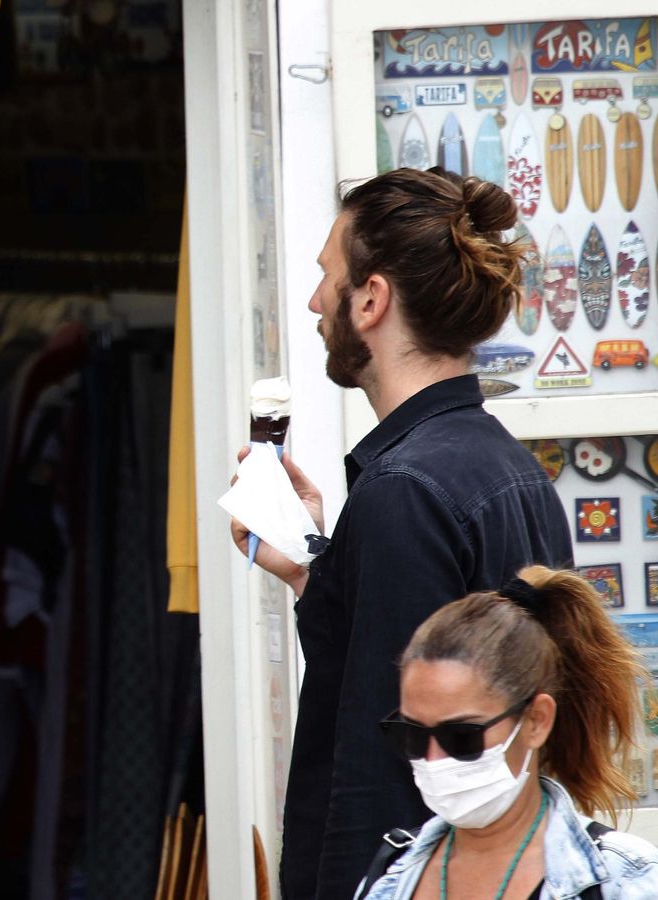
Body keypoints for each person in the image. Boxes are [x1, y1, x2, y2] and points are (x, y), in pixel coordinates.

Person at [229, 168, 575, 900]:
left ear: (372, 298)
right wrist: (314, 570)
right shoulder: (510, 469)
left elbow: (380, 762)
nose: (315, 301)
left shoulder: (404, 491)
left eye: (329, 276)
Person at [355, 567, 658, 899]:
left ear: (536, 721)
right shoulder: (391, 876)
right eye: (410, 735)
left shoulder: (626, 881)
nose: (433, 759)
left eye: (461, 736)